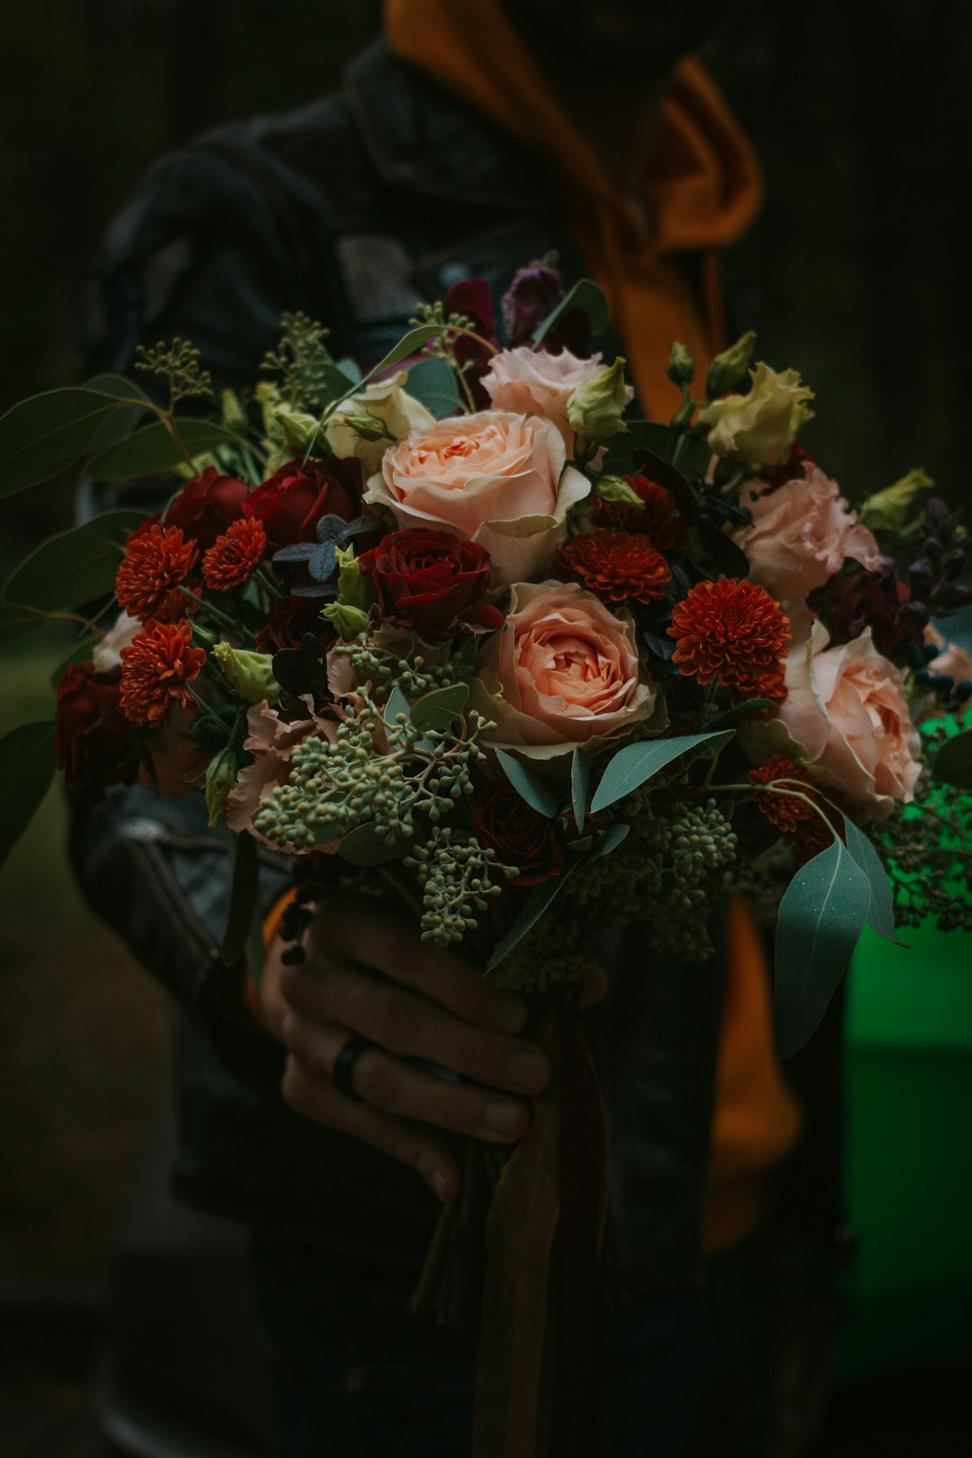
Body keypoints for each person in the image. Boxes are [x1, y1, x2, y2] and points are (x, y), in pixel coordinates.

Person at [74, 2, 850, 1453]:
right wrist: (267, 954)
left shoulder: (704, 212)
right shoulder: (260, 208)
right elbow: (136, 709)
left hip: (755, 1222)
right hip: (436, 1285)